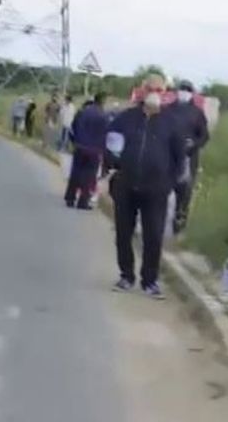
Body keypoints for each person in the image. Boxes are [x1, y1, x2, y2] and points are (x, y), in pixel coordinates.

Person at [104, 75, 184, 300]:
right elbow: (110, 144)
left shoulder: (172, 122)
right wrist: (113, 165)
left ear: (165, 93)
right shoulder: (126, 118)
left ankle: (150, 280)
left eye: (159, 90)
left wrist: (171, 183)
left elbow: (180, 159)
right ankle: (126, 275)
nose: (154, 93)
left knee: (153, 236)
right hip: (126, 185)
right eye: (150, 88)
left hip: (156, 190)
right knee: (123, 233)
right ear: (141, 90)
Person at [166, 80, 210, 234]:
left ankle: (179, 223)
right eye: (181, 89)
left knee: (184, 194)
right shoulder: (167, 110)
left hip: (188, 159)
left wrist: (194, 144)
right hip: (168, 158)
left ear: (191, 93)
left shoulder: (197, 113)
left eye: (187, 90)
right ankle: (153, 223)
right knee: (160, 191)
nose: (183, 92)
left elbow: (204, 136)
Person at [65, 92, 109, 210]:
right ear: (103, 101)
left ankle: (70, 198)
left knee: (75, 172)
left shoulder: (82, 112)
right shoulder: (104, 116)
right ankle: (83, 201)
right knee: (89, 176)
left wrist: (74, 141)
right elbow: (106, 136)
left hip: (80, 146)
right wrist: (104, 152)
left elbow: (72, 128)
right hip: (94, 150)